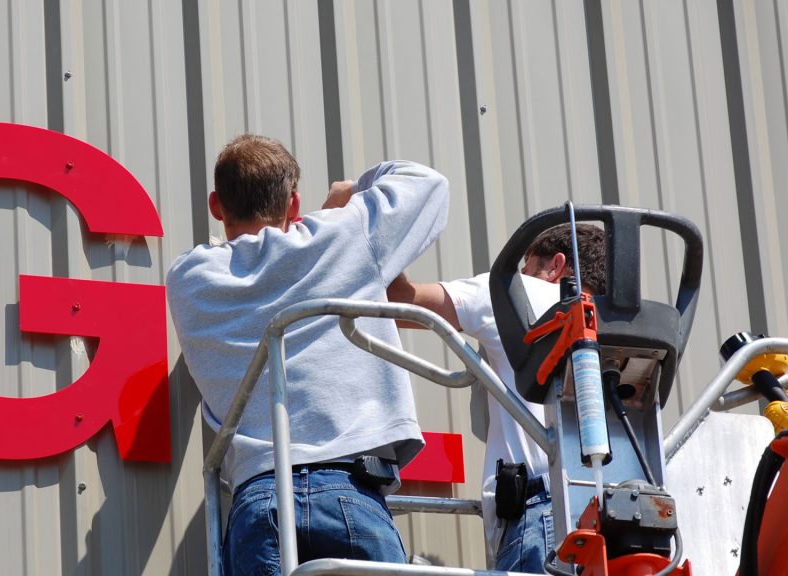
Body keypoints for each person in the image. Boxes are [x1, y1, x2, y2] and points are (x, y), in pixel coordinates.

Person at [166, 134, 450, 574]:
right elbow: (428, 184)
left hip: (257, 497)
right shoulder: (343, 234)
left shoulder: (189, 278)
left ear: (215, 206)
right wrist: (350, 193)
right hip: (350, 489)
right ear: (295, 203)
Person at [387, 223, 605, 573]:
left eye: (528, 265)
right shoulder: (629, 326)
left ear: (556, 266)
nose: (522, 275)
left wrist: (375, 220)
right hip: (621, 523)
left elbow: (399, 301)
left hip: (546, 516)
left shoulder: (518, 294)